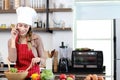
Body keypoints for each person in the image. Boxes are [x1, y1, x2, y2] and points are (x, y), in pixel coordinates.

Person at [8, 6, 45, 79]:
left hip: (34, 76)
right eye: (20, 25)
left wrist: (39, 59)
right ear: (16, 26)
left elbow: (43, 59)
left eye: (26, 26)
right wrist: (13, 39)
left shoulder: (36, 39)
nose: (22, 28)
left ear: (29, 27)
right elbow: (12, 60)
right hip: (18, 76)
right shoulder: (11, 41)